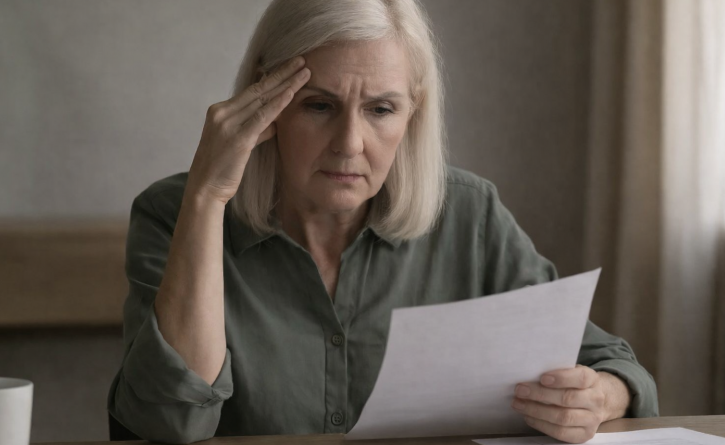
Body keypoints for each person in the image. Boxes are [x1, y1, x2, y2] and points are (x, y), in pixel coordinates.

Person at [106, 0, 659, 443]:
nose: (350, 144)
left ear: (413, 112)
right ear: (264, 101)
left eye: (381, 109)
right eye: (318, 106)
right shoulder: (173, 213)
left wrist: (598, 396)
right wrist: (209, 196)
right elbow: (171, 423)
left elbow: (611, 364)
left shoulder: (469, 215)